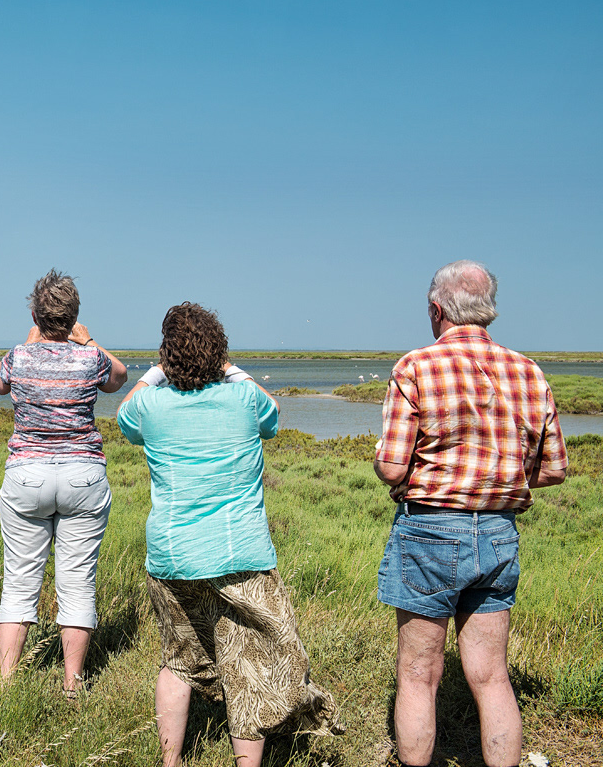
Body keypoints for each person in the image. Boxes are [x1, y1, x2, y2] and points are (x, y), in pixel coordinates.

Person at [117, 303, 341, 767]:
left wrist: (158, 371)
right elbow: (273, 414)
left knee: (178, 661)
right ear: (219, 351)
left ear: (167, 355)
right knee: (249, 669)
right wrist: (229, 367)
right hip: (241, 556)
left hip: (173, 556)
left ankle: (170, 762)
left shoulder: (150, 406)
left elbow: (124, 413)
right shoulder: (244, 399)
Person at [373, 260, 566, 767]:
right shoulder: (528, 371)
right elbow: (553, 470)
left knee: (419, 675)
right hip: (499, 532)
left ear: (437, 310)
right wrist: (495, 477)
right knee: (492, 676)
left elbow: (391, 468)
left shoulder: (416, 366)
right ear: (488, 310)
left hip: (429, 532)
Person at [0, 269, 128, 697]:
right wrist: (88, 341)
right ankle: (72, 684)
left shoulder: (19, 355)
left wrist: (29, 344)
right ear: (74, 317)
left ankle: (7, 683)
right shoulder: (90, 358)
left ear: (35, 314)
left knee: (19, 580)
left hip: (27, 473)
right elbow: (119, 377)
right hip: (83, 474)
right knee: (78, 582)